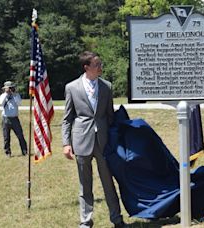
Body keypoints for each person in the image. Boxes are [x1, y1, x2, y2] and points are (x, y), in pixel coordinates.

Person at [61, 51, 128, 228]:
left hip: (103, 142)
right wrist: (66, 143)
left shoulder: (106, 86)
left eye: (100, 64)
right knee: (85, 184)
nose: (100, 67)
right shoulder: (72, 87)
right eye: (97, 65)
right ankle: (86, 220)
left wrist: (116, 139)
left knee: (109, 183)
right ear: (86, 67)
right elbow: (67, 118)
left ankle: (117, 219)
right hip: (81, 141)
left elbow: (109, 116)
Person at [0, 81, 27, 157]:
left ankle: (24, 151)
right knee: (6, 137)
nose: (10, 89)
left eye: (11, 88)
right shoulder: (3, 95)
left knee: (20, 135)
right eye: (8, 88)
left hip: (15, 118)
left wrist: (13, 94)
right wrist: (7, 94)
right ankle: (8, 152)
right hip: (6, 118)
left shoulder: (16, 95)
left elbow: (19, 103)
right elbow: (1, 103)